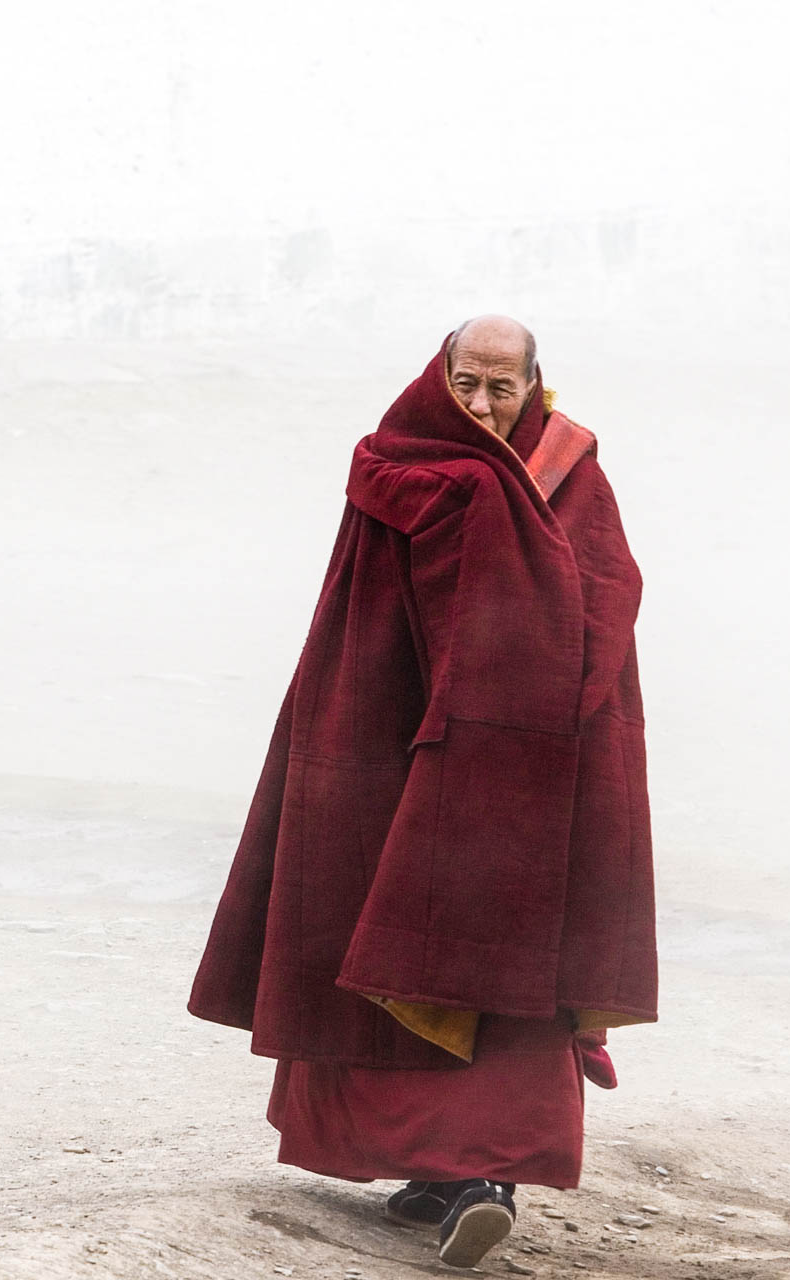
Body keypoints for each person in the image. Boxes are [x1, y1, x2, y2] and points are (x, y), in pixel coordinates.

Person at [187, 317, 656, 1269]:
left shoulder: (567, 475)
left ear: (538, 389)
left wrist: (532, 724)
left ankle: (483, 1175)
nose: (482, 406)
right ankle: (439, 1171)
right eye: (466, 384)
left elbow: (606, 604)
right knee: (390, 941)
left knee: (498, 954)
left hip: (528, 764)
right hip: (402, 740)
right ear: (438, 378)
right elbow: (355, 622)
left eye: (503, 388)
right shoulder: (392, 466)